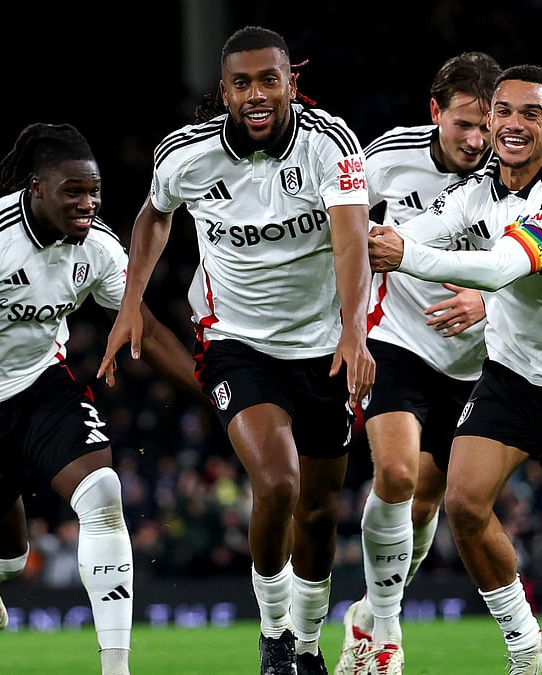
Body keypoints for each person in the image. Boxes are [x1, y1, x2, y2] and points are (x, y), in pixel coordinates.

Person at [97, 25, 375, 675]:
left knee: (317, 505)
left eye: (268, 80)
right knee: (276, 482)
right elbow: (154, 213)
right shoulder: (186, 153)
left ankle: (309, 645)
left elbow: (350, 239)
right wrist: (131, 300)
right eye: (242, 82)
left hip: (322, 347)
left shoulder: (330, 143)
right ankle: (275, 634)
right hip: (235, 344)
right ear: (223, 92)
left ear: (291, 84)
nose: (256, 93)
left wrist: (354, 328)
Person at [367, 64, 542, 675]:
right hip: (515, 373)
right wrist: (378, 240)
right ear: (491, 121)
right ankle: (527, 650)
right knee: (463, 503)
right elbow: (424, 228)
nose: (514, 125)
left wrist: (402, 253)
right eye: (505, 113)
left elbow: (496, 270)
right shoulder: (479, 185)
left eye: (530, 115)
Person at [0, 122, 198, 675]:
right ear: (37, 187)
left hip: (40, 386)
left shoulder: (101, 249)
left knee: (104, 493)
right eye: (73, 192)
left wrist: (215, 396)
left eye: (95, 192)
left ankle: (116, 667)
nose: (88, 204)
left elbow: (146, 331)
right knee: (8, 559)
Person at [336, 51, 501, 675]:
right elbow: (343, 235)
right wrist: (346, 325)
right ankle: (386, 632)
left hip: (474, 360)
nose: (478, 139)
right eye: (465, 123)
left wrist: (485, 300)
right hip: (396, 337)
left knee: (428, 502)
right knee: (398, 476)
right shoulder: (385, 159)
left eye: (487, 125)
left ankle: (373, 613)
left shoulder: (518, 172)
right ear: (436, 112)